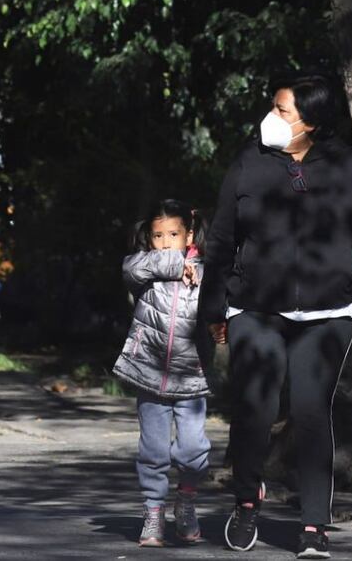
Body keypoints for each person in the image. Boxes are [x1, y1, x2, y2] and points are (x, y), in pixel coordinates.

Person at [199, 74, 352, 559]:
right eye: (273, 106)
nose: (271, 117)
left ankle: (313, 524)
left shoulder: (350, 165)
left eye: (283, 110)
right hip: (255, 307)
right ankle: (247, 499)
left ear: (312, 121)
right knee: (256, 409)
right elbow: (221, 240)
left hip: (329, 311)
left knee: (311, 410)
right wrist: (214, 308)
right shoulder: (250, 161)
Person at [113, 200, 211, 548]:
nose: (167, 242)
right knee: (153, 451)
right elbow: (132, 269)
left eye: (174, 234)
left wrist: (193, 268)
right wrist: (175, 263)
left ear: (189, 233)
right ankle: (153, 511)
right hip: (149, 373)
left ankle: (185, 499)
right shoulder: (143, 266)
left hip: (190, 376)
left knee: (193, 451)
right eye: (159, 236)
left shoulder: (205, 270)